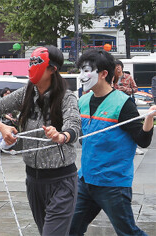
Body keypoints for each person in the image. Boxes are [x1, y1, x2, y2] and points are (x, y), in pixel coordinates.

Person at [0, 46, 81, 236]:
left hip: (61, 181)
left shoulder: (66, 97)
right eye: (31, 62)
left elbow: (74, 125)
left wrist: (61, 136)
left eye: (38, 63)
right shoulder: (26, 93)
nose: (32, 67)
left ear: (52, 69)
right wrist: (1, 128)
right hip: (34, 181)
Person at [69, 49, 156, 236]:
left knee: (128, 232)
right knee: (70, 229)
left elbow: (142, 140)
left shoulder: (123, 104)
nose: (82, 76)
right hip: (85, 181)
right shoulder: (82, 101)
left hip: (113, 184)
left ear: (103, 74)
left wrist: (149, 119)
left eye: (86, 71)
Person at [113, 60, 144, 155]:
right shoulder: (112, 78)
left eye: (119, 66)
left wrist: (125, 89)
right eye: (116, 66)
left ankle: (134, 147)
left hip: (127, 103)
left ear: (122, 67)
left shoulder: (128, 77)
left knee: (132, 125)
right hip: (115, 103)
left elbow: (135, 89)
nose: (118, 68)